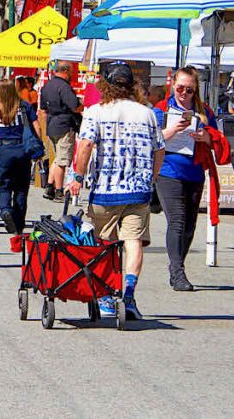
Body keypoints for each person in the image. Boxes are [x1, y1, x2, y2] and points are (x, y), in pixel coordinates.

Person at [68, 62, 165, 321]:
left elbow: (86, 144)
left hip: (106, 190)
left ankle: (106, 296)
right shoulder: (147, 113)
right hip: (139, 190)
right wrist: (152, 177)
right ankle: (129, 295)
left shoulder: (95, 112)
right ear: (131, 85)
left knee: (104, 243)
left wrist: (78, 175)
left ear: (104, 85)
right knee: (133, 242)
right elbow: (159, 150)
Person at [153, 67, 218, 292]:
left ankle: (177, 268)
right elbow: (151, 140)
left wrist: (205, 137)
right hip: (168, 170)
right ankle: (177, 271)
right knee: (177, 221)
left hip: (195, 171)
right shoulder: (161, 110)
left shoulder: (203, 111)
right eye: (180, 88)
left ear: (195, 90)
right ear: (172, 86)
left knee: (190, 225)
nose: (183, 93)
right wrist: (170, 131)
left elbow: (217, 141)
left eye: (189, 90)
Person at [0, 79, 42, 235]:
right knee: (21, 188)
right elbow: (36, 126)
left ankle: (5, 210)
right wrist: (36, 146)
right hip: (23, 149)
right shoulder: (24, 106)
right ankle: (18, 223)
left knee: (3, 184)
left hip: (4, 149)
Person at [40, 61, 82, 202]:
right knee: (62, 160)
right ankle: (59, 191)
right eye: (70, 71)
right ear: (65, 71)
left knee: (58, 157)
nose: (72, 74)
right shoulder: (64, 87)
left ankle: (50, 187)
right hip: (64, 125)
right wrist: (81, 106)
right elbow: (74, 106)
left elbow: (43, 110)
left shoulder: (47, 86)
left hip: (52, 124)